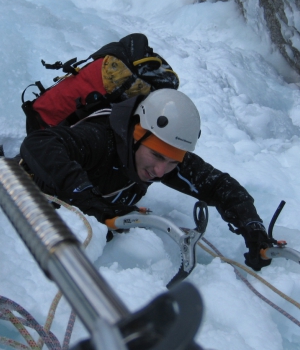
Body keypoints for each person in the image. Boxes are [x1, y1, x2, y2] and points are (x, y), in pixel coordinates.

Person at [16, 88, 272, 271]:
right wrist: (86, 196)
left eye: (173, 162)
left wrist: (252, 226)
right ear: (136, 135)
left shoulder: (160, 153)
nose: (161, 171)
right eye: (156, 156)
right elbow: (40, 144)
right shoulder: (100, 138)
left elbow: (219, 185)